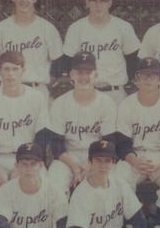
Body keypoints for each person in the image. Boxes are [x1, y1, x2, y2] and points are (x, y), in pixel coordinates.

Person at [67, 140, 160, 228]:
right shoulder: (81, 192)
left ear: (114, 163)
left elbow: (138, 217)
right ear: (90, 162)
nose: (103, 166)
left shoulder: (120, 184)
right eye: (98, 160)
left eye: (107, 161)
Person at [114, 57, 160, 228]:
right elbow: (122, 145)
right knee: (119, 176)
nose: (148, 79)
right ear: (137, 78)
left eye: (152, 75)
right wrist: (135, 162)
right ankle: (133, 224)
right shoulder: (126, 104)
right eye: (144, 75)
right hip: (135, 156)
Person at [0, 51, 48, 190]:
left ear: (23, 71)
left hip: (29, 158)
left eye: (15, 69)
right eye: (6, 69)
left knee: (44, 186)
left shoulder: (37, 98)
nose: (11, 74)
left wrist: (21, 167)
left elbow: (42, 137)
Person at [47, 51, 117, 196]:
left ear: (95, 75)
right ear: (71, 75)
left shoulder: (107, 103)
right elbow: (56, 145)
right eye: (79, 72)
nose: (83, 77)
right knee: (54, 184)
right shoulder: (60, 103)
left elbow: (109, 141)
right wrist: (74, 167)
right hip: (68, 157)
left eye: (88, 72)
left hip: (98, 157)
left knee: (105, 185)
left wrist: (89, 164)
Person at [0, 0, 64, 99]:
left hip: (37, 89)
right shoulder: (1, 28)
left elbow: (59, 61)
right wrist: (3, 80)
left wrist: (47, 83)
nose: (24, 0)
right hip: (8, 89)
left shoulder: (47, 28)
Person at [62, 0, 140, 104]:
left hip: (115, 93)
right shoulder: (76, 28)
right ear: (87, 2)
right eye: (93, 0)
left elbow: (133, 60)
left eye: (103, 0)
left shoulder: (123, 27)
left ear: (110, 3)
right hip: (86, 91)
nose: (98, 5)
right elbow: (68, 61)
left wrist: (121, 80)